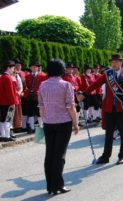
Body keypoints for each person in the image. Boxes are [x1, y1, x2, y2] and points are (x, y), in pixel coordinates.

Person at [78, 54, 123, 165]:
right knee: (108, 133)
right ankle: (105, 156)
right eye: (113, 62)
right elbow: (96, 84)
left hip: (122, 108)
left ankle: (122, 156)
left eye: (116, 62)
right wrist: (84, 94)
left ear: (121, 63)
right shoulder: (108, 74)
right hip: (109, 108)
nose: (114, 64)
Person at [38, 59, 79, 195]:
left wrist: (44, 121)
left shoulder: (43, 85)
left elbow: (41, 107)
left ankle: (50, 185)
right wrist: (76, 123)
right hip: (63, 122)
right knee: (59, 155)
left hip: (48, 122)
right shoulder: (66, 85)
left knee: (49, 154)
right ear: (61, 70)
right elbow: (71, 107)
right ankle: (58, 185)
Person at [23, 62, 48, 134]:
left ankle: (41, 127)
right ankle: (32, 128)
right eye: (33, 67)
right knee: (30, 112)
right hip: (30, 96)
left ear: (38, 68)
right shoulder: (27, 77)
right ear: (30, 68)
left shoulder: (43, 76)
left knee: (39, 112)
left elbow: (45, 87)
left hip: (38, 96)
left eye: (36, 67)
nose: (34, 68)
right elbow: (26, 86)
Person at [0, 60, 18, 142]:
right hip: (8, 102)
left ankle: (3, 135)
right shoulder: (8, 78)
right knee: (8, 119)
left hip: (2, 101)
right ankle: (7, 136)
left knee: (2, 119)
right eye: (13, 68)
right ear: (9, 67)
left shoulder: (2, 77)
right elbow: (10, 92)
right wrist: (14, 102)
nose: (13, 70)